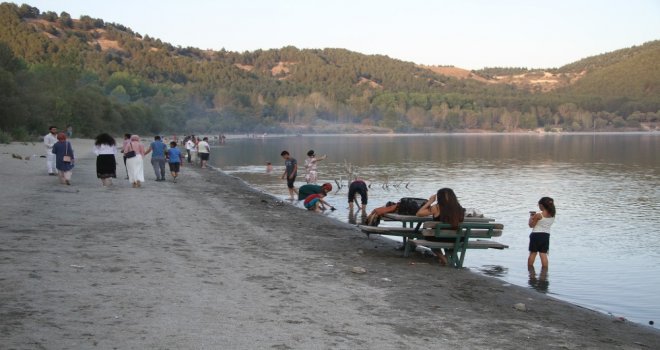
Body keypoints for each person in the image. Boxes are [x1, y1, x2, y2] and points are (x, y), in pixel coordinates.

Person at [416, 188, 464, 265]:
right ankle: (447, 256)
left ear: (439, 197)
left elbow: (419, 213)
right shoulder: (460, 208)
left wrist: (430, 201)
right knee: (434, 235)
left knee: (428, 236)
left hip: (438, 237)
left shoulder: (437, 207)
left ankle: (443, 258)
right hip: (457, 238)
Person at [528, 197, 556, 269]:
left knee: (533, 253)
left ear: (542, 205)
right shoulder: (552, 215)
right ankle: (545, 273)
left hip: (536, 235)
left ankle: (530, 271)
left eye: (539, 205)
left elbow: (531, 225)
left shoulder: (539, 215)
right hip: (546, 236)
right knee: (543, 254)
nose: (538, 207)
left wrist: (531, 217)